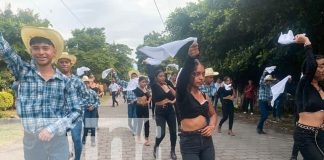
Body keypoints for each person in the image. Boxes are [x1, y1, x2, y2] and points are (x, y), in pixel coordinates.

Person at [0, 26, 81, 160]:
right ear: (31, 51)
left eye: (45, 48)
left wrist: (52, 128)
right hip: (32, 142)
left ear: (54, 52)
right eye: (36, 48)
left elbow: (76, 111)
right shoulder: (23, 72)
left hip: (58, 141)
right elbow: (7, 52)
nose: (41, 52)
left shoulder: (66, 82)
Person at [176, 42, 217, 160]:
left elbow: (213, 114)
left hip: (207, 141)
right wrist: (190, 58)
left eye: (203, 74)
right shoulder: (182, 94)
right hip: (189, 142)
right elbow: (181, 82)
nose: (201, 77)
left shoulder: (204, 95)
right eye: (197, 74)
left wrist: (212, 126)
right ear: (189, 75)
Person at [294, 34, 324, 159]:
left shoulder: (321, 88)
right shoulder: (304, 84)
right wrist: (306, 41)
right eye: (321, 66)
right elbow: (311, 66)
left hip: (321, 134)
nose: (323, 70)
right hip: (305, 135)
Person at [56, 52, 89, 160]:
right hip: (59, 116)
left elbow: (86, 96)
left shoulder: (78, 81)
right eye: (61, 62)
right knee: (60, 141)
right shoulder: (54, 80)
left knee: (77, 139)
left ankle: (77, 158)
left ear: (71, 64)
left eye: (66, 62)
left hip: (75, 116)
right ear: (58, 64)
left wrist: (79, 107)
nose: (64, 64)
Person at [144, 61, 177, 160]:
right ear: (156, 78)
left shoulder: (168, 84)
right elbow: (150, 74)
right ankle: (156, 145)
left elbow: (175, 96)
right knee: (161, 133)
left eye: (163, 76)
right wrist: (148, 63)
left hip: (170, 111)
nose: (163, 77)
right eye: (160, 76)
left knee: (173, 132)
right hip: (160, 112)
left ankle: (173, 151)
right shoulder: (154, 85)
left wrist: (170, 89)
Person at [113, 70, 139, 135]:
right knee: (130, 117)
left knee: (135, 116)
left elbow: (141, 95)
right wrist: (114, 73)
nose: (133, 78)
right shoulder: (128, 84)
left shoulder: (138, 86)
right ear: (131, 77)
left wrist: (135, 100)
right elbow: (119, 81)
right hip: (129, 103)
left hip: (136, 103)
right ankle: (132, 128)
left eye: (135, 77)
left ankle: (135, 130)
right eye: (132, 76)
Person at [81, 76, 100, 146]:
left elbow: (98, 101)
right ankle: (84, 139)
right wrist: (86, 106)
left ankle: (93, 140)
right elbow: (80, 102)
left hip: (93, 110)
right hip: (85, 111)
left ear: (89, 84)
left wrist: (93, 106)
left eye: (87, 83)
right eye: (84, 83)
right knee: (86, 126)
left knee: (92, 126)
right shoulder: (81, 93)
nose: (86, 85)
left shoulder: (93, 92)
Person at [133, 76, 151, 145]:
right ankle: (138, 137)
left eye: (145, 82)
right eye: (143, 82)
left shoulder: (147, 90)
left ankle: (146, 139)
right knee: (140, 123)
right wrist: (140, 99)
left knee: (147, 123)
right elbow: (138, 99)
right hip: (139, 107)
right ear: (139, 82)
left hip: (146, 107)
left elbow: (150, 97)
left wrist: (148, 101)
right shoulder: (136, 89)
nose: (144, 83)